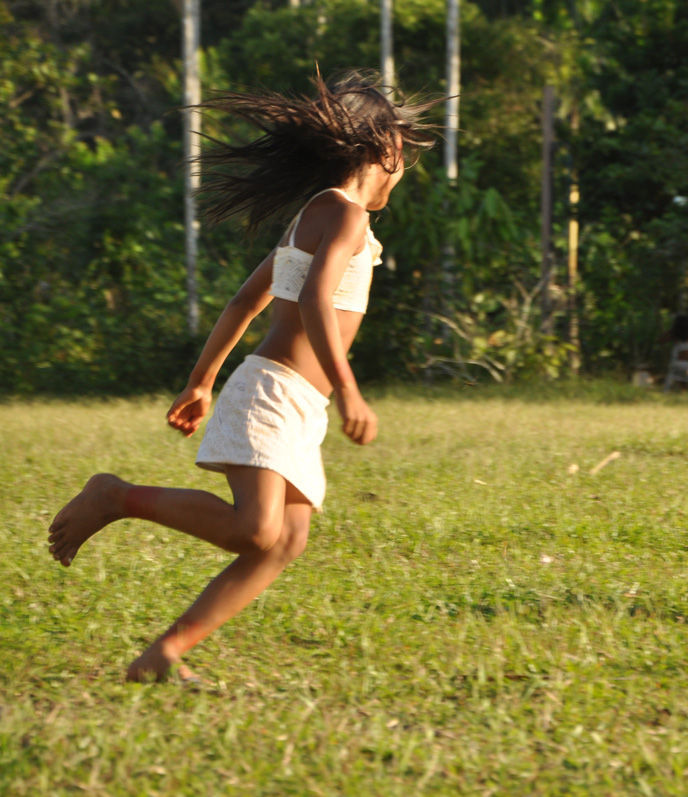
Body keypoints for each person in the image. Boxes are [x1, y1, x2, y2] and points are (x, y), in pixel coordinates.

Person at [46, 69, 438, 684]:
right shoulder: (346, 216)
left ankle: (162, 657)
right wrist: (352, 389)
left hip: (294, 402)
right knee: (256, 530)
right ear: (383, 151)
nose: (404, 170)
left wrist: (202, 381)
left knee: (284, 543)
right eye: (404, 158)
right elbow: (313, 298)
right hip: (275, 393)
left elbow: (243, 302)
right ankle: (115, 496)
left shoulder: (314, 214)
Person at [663, 314, 688, 391]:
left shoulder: (675, 334)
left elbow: (661, 340)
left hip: (678, 364)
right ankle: (685, 391)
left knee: (674, 375)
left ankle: (667, 391)